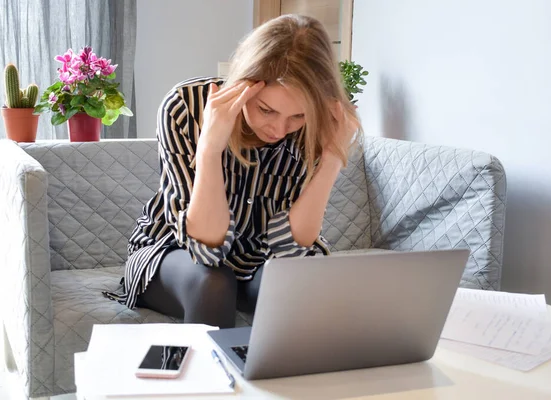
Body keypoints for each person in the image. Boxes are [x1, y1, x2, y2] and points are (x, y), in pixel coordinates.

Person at [103, 14, 362, 328]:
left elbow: (295, 246)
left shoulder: (322, 125)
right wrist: (211, 146)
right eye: (266, 110)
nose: (280, 128)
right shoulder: (185, 106)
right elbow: (205, 245)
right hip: (173, 252)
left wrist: (334, 158)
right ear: (243, 85)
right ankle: (208, 377)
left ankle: (270, 378)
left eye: (298, 116)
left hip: (260, 258)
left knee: (298, 284)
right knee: (214, 284)